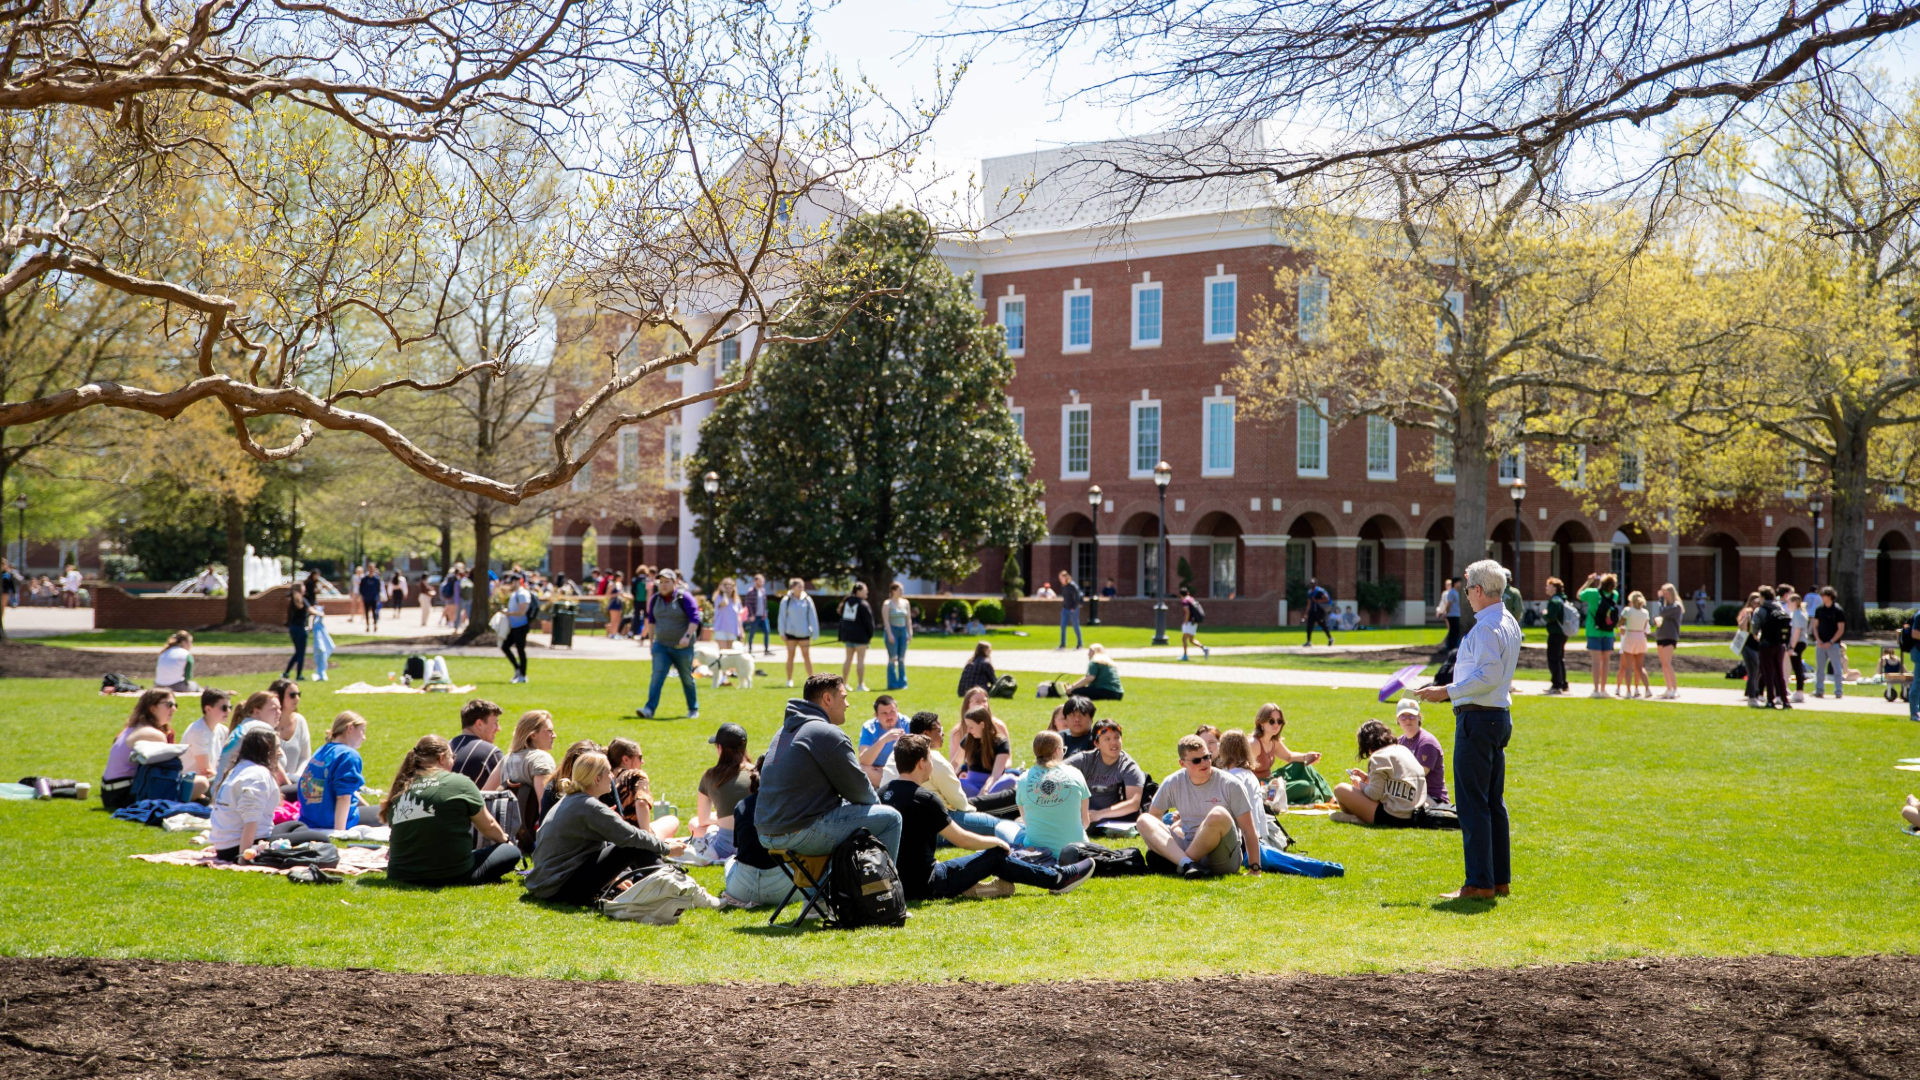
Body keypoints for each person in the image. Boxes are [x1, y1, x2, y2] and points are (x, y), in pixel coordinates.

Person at [1416, 557, 1519, 900]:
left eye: (1468, 590)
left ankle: (1478, 883)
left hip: (1478, 718)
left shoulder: (1486, 627)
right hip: (1496, 717)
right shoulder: (1508, 621)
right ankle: (1497, 880)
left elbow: (1488, 675)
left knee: (1473, 804)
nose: (1467, 597)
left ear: (1478, 590)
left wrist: (1446, 691)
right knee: (1492, 803)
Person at [883, 734, 1095, 901]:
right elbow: (962, 840)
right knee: (994, 855)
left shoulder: (882, 794)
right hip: (927, 884)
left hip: (895, 884)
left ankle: (972, 886)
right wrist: (994, 842)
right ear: (921, 763)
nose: (932, 763)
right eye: (931, 758)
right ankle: (1057, 878)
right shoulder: (925, 799)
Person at [756, 673, 902, 860]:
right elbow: (860, 791)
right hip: (799, 831)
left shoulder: (784, 731)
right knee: (890, 818)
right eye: (843, 697)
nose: (847, 704)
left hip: (766, 832)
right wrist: (877, 809)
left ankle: (838, 879)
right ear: (828, 699)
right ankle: (884, 879)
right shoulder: (825, 732)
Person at [524, 752, 682, 905]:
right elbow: (631, 837)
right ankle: (677, 888)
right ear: (597, 779)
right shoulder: (589, 806)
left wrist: (611, 878)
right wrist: (667, 848)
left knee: (632, 845)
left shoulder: (571, 799)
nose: (613, 776)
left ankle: (669, 883)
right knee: (634, 845)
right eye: (609, 772)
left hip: (549, 884)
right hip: (559, 888)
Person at [382, 735, 521, 885]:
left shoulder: (401, 787)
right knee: (511, 852)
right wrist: (506, 841)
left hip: (400, 873)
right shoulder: (460, 783)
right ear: (442, 758)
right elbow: (488, 826)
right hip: (453, 873)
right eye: (452, 757)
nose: (453, 762)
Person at [1138, 734, 1262, 878]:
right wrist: (1161, 844)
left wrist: (1255, 869)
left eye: (1207, 757)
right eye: (1196, 761)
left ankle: (1181, 864)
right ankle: (1187, 864)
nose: (1204, 763)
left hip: (1222, 857)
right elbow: (1154, 817)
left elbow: (1248, 829)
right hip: (1188, 846)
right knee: (1144, 819)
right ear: (1182, 763)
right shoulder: (1173, 782)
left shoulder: (1231, 784)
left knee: (1218, 814)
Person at [719, 762, 794, 908]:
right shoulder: (789, 805)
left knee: (729, 861)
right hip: (783, 888)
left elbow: (739, 847)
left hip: (742, 889)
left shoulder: (741, 806)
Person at [1332, 719, 1429, 827]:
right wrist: (1367, 779)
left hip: (1395, 816)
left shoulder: (1378, 756)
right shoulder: (1403, 750)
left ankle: (1354, 816)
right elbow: (1393, 784)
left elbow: (1374, 795)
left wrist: (1359, 783)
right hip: (1416, 814)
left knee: (1340, 789)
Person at [100, 688, 181, 810]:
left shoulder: (131, 729)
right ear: (152, 708)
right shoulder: (153, 734)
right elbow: (165, 774)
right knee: (199, 783)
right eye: (169, 704)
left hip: (110, 794)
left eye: (175, 705)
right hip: (125, 796)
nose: (173, 709)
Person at [209, 728, 281, 862]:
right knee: (315, 837)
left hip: (225, 846)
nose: (280, 752)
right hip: (239, 846)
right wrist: (244, 856)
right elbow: (251, 819)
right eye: (277, 747)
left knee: (293, 827)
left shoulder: (239, 768)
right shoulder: (257, 775)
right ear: (266, 750)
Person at [1013, 730, 1090, 855]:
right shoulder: (1076, 774)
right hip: (1076, 852)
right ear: (1057, 750)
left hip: (1037, 854)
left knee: (1008, 826)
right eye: (1063, 750)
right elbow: (1085, 822)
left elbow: (1027, 823)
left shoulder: (1023, 779)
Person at [639, 569, 702, 720]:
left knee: (686, 678)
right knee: (657, 677)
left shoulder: (684, 598)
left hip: (682, 647)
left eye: (667, 582)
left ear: (675, 583)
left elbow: (695, 619)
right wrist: (651, 642)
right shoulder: (655, 599)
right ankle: (648, 709)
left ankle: (693, 709)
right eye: (661, 582)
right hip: (661, 645)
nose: (664, 585)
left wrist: (687, 636)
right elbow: (651, 621)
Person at [1065, 718, 1146, 834]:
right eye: (1107, 739)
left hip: (1111, 818)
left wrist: (1099, 814)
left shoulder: (1128, 766)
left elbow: (1133, 804)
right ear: (1096, 744)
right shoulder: (1085, 760)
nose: (1114, 742)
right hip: (1080, 812)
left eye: (1117, 737)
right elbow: (1055, 771)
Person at [691, 723, 754, 864]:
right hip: (754, 843)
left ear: (720, 748)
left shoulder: (710, 776)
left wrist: (722, 817)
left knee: (694, 824)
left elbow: (703, 820)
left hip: (724, 848)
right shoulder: (758, 773)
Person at [297, 712, 368, 831]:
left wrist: (366, 806)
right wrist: (339, 832)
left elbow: (345, 790)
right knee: (381, 814)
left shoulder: (322, 750)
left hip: (310, 820)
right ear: (350, 728)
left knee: (371, 810)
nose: (364, 737)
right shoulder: (349, 755)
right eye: (362, 731)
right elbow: (343, 797)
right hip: (331, 822)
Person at [486, 709, 558, 817]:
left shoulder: (506, 759)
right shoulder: (541, 758)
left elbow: (483, 797)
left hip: (506, 826)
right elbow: (545, 807)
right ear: (533, 735)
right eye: (549, 731)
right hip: (532, 828)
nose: (554, 735)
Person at [1392, 699, 1449, 805]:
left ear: (1419, 717)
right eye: (1403, 716)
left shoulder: (1427, 742)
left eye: (1412, 716)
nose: (1408, 720)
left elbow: (1417, 777)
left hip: (1432, 799)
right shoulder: (1399, 742)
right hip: (1410, 793)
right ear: (1397, 719)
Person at [1250, 704, 1322, 785]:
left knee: (1307, 768)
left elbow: (1289, 757)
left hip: (1270, 780)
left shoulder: (1273, 741)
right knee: (1304, 786)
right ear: (1261, 722)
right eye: (1271, 721)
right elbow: (1242, 772)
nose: (1276, 725)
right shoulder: (1254, 744)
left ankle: (1329, 793)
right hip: (1259, 786)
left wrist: (1306, 757)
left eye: (1279, 721)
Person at [1577, 572, 1619, 698]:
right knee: (1606, 661)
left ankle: (1595, 690)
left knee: (1596, 661)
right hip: (1609, 631)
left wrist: (1589, 581)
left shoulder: (1592, 593)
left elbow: (1579, 595)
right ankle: (1603, 689)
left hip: (1593, 630)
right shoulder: (1614, 595)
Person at [181, 688, 232, 791]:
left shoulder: (223, 730)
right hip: (193, 785)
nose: (228, 711)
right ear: (208, 709)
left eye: (230, 707)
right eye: (224, 708)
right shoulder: (197, 731)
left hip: (212, 780)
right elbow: (206, 770)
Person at [449, 698, 504, 786]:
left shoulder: (446, 746)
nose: (498, 728)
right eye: (495, 723)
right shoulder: (491, 753)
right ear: (479, 724)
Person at [268, 677, 313, 785]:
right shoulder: (266, 724)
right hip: (271, 783)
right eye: (292, 695)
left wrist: (297, 776)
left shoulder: (300, 721)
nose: (297, 698)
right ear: (278, 696)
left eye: (299, 694)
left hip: (294, 782)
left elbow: (305, 757)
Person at [778, 577, 819, 688]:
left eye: (802, 586)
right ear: (793, 587)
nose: (801, 588)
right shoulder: (786, 600)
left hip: (804, 633)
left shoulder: (807, 600)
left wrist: (815, 632)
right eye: (799, 586)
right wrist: (782, 632)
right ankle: (789, 680)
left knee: (806, 656)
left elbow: (812, 616)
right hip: (790, 633)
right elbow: (782, 617)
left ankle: (812, 681)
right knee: (790, 656)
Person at [856, 694, 905, 787]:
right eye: (884, 713)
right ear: (876, 715)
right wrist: (883, 740)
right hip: (878, 772)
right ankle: (897, 788)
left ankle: (890, 788)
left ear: (897, 711)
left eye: (892, 712)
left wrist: (891, 768)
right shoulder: (869, 728)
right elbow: (864, 761)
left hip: (901, 770)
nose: (889, 717)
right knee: (861, 768)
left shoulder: (907, 724)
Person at [1614, 590, 1653, 699]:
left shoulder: (1627, 610)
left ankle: (1628, 691)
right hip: (1641, 638)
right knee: (1640, 667)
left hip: (1630, 636)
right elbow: (1645, 627)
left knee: (1628, 667)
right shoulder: (1645, 612)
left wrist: (1623, 627)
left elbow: (1620, 623)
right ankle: (1647, 689)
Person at [838, 582, 875, 692]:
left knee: (848, 660)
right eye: (865, 590)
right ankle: (860, 685)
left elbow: (843, 621)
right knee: (860, 660)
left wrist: (842, 635)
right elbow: (869, 622)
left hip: (848, 636)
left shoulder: (847, 602)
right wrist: (870, 635)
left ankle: (844, 684)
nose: (867, 592)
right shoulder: (863, 604)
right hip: (860, 637)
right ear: (858, 591)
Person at [1813, 585, 1846, 699]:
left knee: (1837, 668)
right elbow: (1815, 626)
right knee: (1820, 669)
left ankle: (1838, 691)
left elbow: (1841, 629)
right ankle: (1819, 690)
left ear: (1830, 596)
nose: (1822, 597)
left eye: (1824, 595)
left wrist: (1831, 642)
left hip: (1833, 644)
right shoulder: (1819, 609)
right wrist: (1818, 640)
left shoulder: (1838, 610)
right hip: (1820, 644)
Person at [501, 572, 533, 684]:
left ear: (517, 582)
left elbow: (522, 611)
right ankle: (518, 669)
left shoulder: (523, 594)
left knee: (520, 650)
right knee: (505, 646)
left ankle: (523, 675)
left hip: (521, 626)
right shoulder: (515, 594)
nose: (510, 585)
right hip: (514, 626)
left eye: (512, 582)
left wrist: (508, 613)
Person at [882, 582, 914, 690]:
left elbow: (908, 619)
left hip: (903, 631)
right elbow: (886, 621)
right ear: (893, 591)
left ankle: (902, 683)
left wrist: (910, 632)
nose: (902, 592)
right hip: (892, 631)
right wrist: (890, 635)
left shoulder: (906, 603)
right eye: (900, 590)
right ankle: (892, 684)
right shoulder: (887, 604)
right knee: (893, 658)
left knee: (901, 659)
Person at [1654, 583, 1684, 700]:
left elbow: (1663, 612)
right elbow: (1662, 614)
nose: (1665, 596)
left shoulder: (1676, 607)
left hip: (1670, 636)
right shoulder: (1666, 606)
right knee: (1663, 664)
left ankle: (1675, 689)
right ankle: (1668, 688)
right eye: (1663, 594)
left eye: (1666, 594)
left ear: (1672, 593)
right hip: (1661, 635)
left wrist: (1660, 599)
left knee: (1667, 663)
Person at [1542, 577, 1571, 694]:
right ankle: (1563, 683)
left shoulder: (1554, 601)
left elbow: (1551, 616)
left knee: (1553, 659)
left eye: (1548, 585)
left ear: (1554, 587)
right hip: (1563, 632)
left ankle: (1557, 685)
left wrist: (1544, 614)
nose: (1546, 587)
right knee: (1560, 659)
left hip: (1555, 633)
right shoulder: (1563, 599)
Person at [306, 574, 335, 682]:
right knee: (320, 649)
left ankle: (321, 672)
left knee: (323, 648)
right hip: (309, 621)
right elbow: (310, 612)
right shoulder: (307, 592)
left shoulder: (314, 584)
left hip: (314, 612)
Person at [282, 579, 311, 681]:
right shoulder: (302, 600)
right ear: (300, 589)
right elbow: (310, 610)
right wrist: (321, 613)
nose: (305, 588)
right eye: (303, 586)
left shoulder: (292, 601)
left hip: (293, 629)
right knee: (301, 653)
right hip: (301, 629)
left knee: (298, 652)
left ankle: (286, 673)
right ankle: (299, 675)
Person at [744, 573, 772, 656]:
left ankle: (766, 649)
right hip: (754, 616)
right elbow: (748, 604)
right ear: (755, 581)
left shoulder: (763, 591)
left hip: (763, 616)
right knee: (752, 633)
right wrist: (751, 615)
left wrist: (765, 613)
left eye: (762, 581)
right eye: (760, 581)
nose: (762, 583)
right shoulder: (751, 591)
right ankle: (750, 649)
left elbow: (764, 604)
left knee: (767, 631)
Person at [712, 577, 742, 652]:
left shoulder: (736, 601)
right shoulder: (718, 598)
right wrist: (724, 593)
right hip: (721, 629)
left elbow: (738, 616)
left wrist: (741, 630)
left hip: (732, 630)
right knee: (724, 653)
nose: (729, 590)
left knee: (729, 654)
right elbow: (725, 603)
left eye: (730, 588)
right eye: (726, 588)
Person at [1057, 570, 1084, 650]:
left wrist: (1074, 607)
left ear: (1066, 577)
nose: (1060, 580)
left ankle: (1080, 644)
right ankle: (1063, 645)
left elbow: (1078, 596)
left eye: (1061, 578)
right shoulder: (1063, 586)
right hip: (1065, 609)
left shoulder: (1072, 585)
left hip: (1073, 610)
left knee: (1076, 627)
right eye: (1060, 578)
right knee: (1063, 627)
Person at [1302, 577, 1333, 646]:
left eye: (1313, 583)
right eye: (1311, 583)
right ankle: (1308, 641)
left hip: (1319, 611)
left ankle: (1330, 638)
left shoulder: (1320, 591)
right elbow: (1309, 603)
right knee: (1309, 626)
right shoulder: (1310, 592)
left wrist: (1317, 600)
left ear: (1316, 583)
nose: (1312, 584)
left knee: (1323, 625)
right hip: (1312, 611)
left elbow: (1327, 599)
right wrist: (1306, 613)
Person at [357, 565, 384, 631]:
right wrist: (363, 595)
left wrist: (378, 596)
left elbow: (379, 589)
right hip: (366, 598)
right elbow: (361, 588)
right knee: (366, 612)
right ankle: (367, 625)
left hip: (374, 598)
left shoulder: (376, 579)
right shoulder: (364, 579)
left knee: (374, 612)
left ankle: (375, 624)